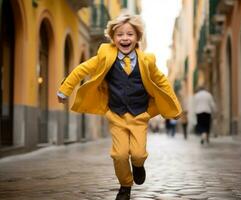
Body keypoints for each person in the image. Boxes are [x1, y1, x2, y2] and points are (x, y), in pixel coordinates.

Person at [57, 14, 182, 200]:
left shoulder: (147, 60)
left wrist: (175, 107)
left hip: (140, 115)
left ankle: (138, 166)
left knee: (138, 154)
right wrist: (65, 90)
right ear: (113, 38)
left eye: (130, 34)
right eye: (120, 34)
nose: (125, 38)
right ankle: (125, 186)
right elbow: (82, 69)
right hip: (116, 114)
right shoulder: (105, 55)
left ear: (138, 37)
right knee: (119, 155)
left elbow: (163, 82)